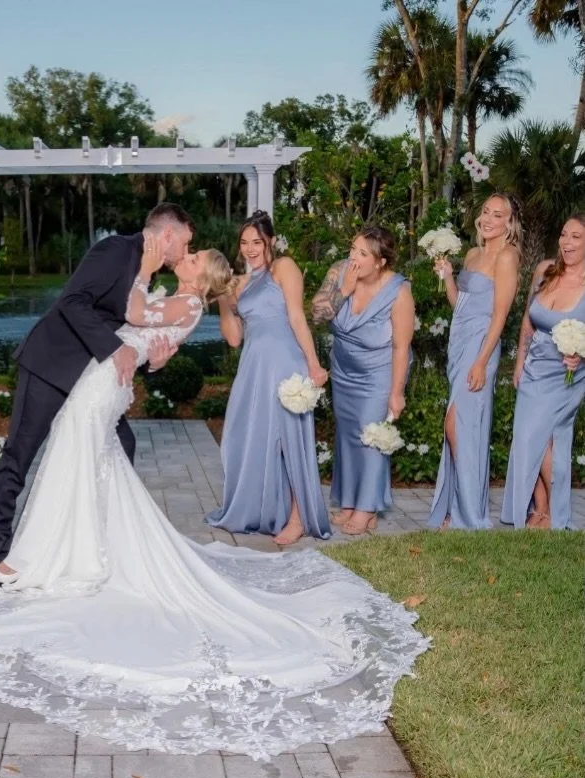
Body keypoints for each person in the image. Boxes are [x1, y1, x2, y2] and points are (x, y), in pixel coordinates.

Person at [0, 236, 429, 762]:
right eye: (189, 251)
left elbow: (134, 313)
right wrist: (150, 338)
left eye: (194, 257)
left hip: (103, 383)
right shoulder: (176, 300)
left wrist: (142, 269)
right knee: (87, 461)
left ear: (200, 278)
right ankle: (70, 544)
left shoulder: (180, 301)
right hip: (103, 378)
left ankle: (70, 552)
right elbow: (141, 332)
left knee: (81, 457)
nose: (188, 256)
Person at [0, 203, 189, 569]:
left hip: (91, 382)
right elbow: (72, 302)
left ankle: (95, 543)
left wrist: (156, 364)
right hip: (52, 366)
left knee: (123, 444)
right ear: (167, 235)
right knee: (19, 456)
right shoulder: (114, 251)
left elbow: (132, 336)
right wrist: (115, 349)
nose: (184, 254)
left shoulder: (149, 273)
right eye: (185, 244)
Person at [206, 210, 330, 545]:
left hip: (285, 363)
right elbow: (234, 338)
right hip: (253, 367)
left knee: (288, 441)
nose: (249, 249)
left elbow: (296, 317)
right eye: (244, 243)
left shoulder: (283, 268)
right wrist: (222, 296)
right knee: (243, 436)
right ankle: (260, 509)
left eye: (256, 242)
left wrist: (314, 365)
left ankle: (298, 516)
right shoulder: (240, 284)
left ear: (269, 241)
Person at [311, 227, 415, 536]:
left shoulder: (398, 292)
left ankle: (367, 508)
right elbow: (317, 315)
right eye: (353, 249)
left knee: (370, 437)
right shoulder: (340, 271)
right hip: (343, 370)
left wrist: (397, 392)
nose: (353, 257)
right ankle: (348, 501)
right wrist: (344, 289)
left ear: (381, 261)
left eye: (362, 253)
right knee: (346, 435)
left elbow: (401, 347)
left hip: (377, 374)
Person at [428, 194, 521, 529]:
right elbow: (461, 306)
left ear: (509, 224)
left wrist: (482, 361)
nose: (488, 219)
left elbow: (500, 315)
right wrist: (449, 277)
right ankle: (456, 511)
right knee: (459, 428)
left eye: (498, 215)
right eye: (485, 211)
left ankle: (469, 515)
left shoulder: (507, 257)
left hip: (482, 347)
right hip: (459, 343)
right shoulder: (471, 254)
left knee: (457, 426)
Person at [502, 214, 585, 530]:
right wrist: (520, 359)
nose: (567, 242)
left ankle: (554, 511)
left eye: (576, 237)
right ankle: (539, 508)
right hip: (534, 369)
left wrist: (581, 356)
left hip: (566, 375)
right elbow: (528, 319)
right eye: (564, 234)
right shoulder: (545, 271)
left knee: (546, 441)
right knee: (529, 440)